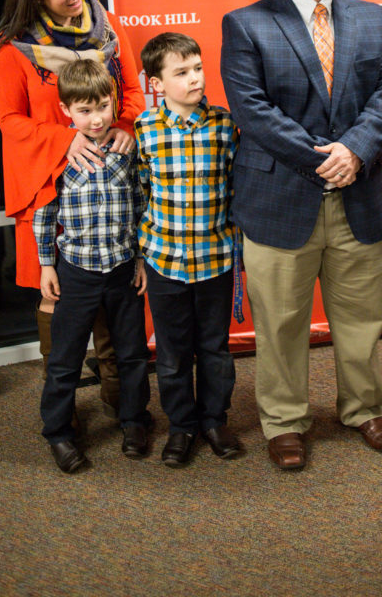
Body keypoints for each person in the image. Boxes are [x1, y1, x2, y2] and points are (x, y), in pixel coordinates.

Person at [220, 0, 382, 470]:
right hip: (280, 201)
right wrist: (324, 160)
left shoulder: (372, 18)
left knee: (361, 318)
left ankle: (364, 408)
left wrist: (353, 151)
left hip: (361, 195)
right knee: (279, 324)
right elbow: (252, 111)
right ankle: (284, 422)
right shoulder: (246, 25)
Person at [0, 0, 145, 414]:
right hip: (48, 184)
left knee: (113, 293)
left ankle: (122, 403)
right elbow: (9, 121)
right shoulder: (14, 51)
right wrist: (64, 140)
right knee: (55, 294)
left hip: (108, 181)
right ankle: (63, 410)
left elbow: (133, 91)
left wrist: (124, 125)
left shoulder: (108, 28)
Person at [35, 61, 150, 473]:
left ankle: (134, 420)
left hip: (122, 270)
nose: (97, 118)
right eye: (85, 110)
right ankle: (58, 433)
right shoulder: (61, 155)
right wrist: (46, 264)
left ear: (113, 102)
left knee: (131, 354)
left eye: (103, 106)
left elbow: (140, 206)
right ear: (66, 110)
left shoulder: (126, 151)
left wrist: (141, 258)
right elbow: (45, 212)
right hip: (76, 272)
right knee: (65, 358)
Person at [135, 33, 241, 467]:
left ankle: (214, 420)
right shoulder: (144, 129)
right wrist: (141, 254)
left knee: (215, 348)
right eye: (181, 72)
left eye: (197, 68)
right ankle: (181, 426)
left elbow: (235, 187)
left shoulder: (224, 125)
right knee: (173, 353)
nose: (195, 78)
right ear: (156, 83)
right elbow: (141, 194)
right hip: (165, 261)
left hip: (215, 257)